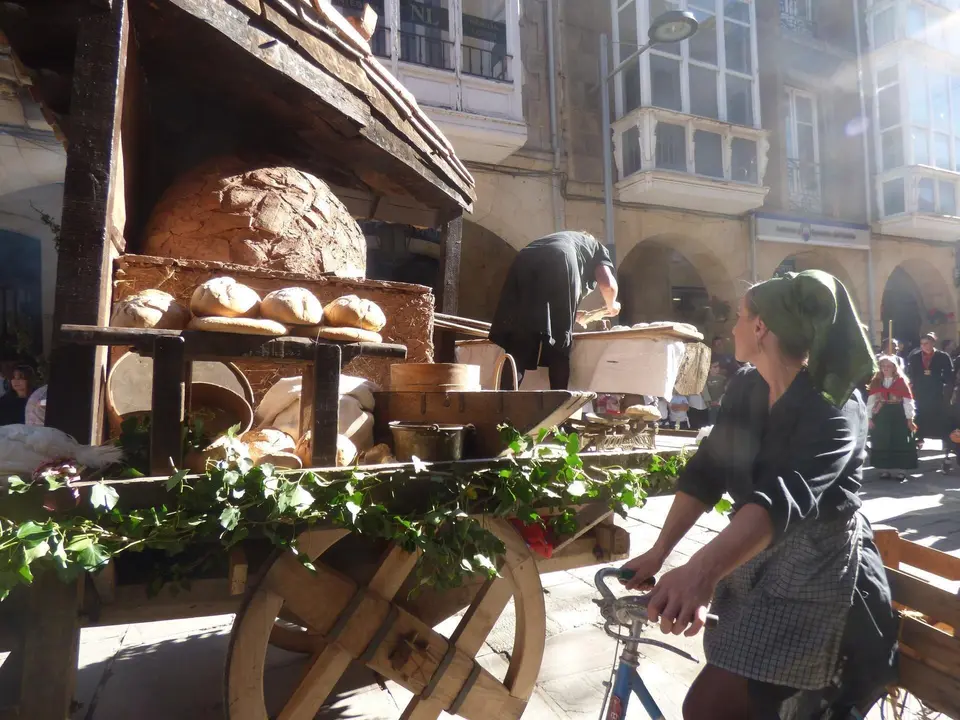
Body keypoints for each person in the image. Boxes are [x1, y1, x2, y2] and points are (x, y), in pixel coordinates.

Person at [621, 270, 898, 719]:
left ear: (761, 327)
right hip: (757, 565)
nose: (730, 326)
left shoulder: (835, 407)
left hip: (819, 582)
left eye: (739, 315)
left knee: (707, 708)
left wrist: (698, 574)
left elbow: (781, 500)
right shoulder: (748, 387)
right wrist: (659, 551)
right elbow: (706, 472)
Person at [489, 231, 620, 390]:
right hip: (559, 258)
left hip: (524, 259)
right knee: (560, 339)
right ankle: (558, 401)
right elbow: (607, 285)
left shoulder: (567, 239)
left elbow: (548, 304)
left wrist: (575, 315)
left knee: (520, 339)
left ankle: (503, 402)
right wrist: (612, 304)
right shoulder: (596, 247)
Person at [906, 332, 954, 472]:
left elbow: (948, 374)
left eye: (926, 343)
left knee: (939, 417)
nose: (924, 346)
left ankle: (945, 445)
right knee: (919, 416)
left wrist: (946, 388)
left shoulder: (942, 356)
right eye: (922, 344)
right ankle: (918, 440)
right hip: (920, 392)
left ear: (933, 343)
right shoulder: (915, 357)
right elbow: (911, 373)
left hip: (936, 392)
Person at [868, 356, 918, 482]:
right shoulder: (877, 381)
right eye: (883, 366)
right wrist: (869, 417)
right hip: (882, 414)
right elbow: (871, 400)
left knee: (900, 439)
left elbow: (908, 400)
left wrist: (909, 417)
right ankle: (884, 469)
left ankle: (901, 470)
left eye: (888, 366)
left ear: (894, 368)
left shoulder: (901, 381)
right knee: (883, 439)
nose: (885, 369)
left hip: (898, 413)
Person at [703, 360, 727, 425]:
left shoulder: (723, 378)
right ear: (709, 368)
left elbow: (726, 391)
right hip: (709, 407)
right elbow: (704, 392)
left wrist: (719, 401)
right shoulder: (705, 379)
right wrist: (709, 403)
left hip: (720, 405)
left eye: (718, 366)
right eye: (715, 367)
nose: (718, 368)